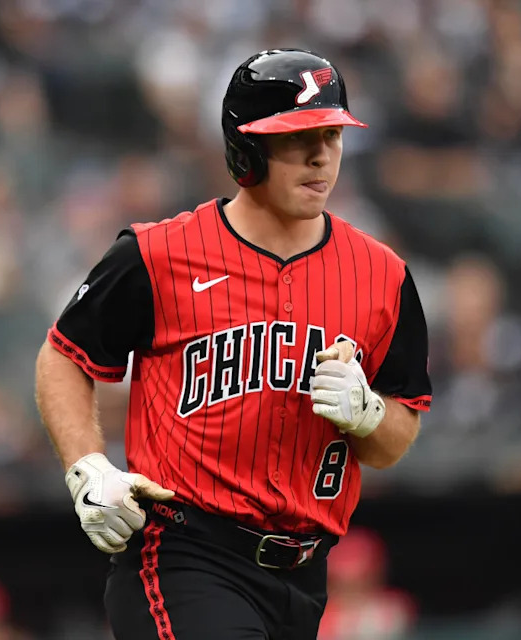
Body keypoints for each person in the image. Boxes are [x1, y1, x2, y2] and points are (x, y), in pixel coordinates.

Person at [34, 48, 432, 640]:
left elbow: (393, 442)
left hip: (304, 576)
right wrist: (87, 467)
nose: (322, 155)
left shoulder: (384, 275)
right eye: (300, 138)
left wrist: (369, 414)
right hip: (186, 553)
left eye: (332, 135)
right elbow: (65, 355)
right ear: (245, 151)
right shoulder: (158, 255)